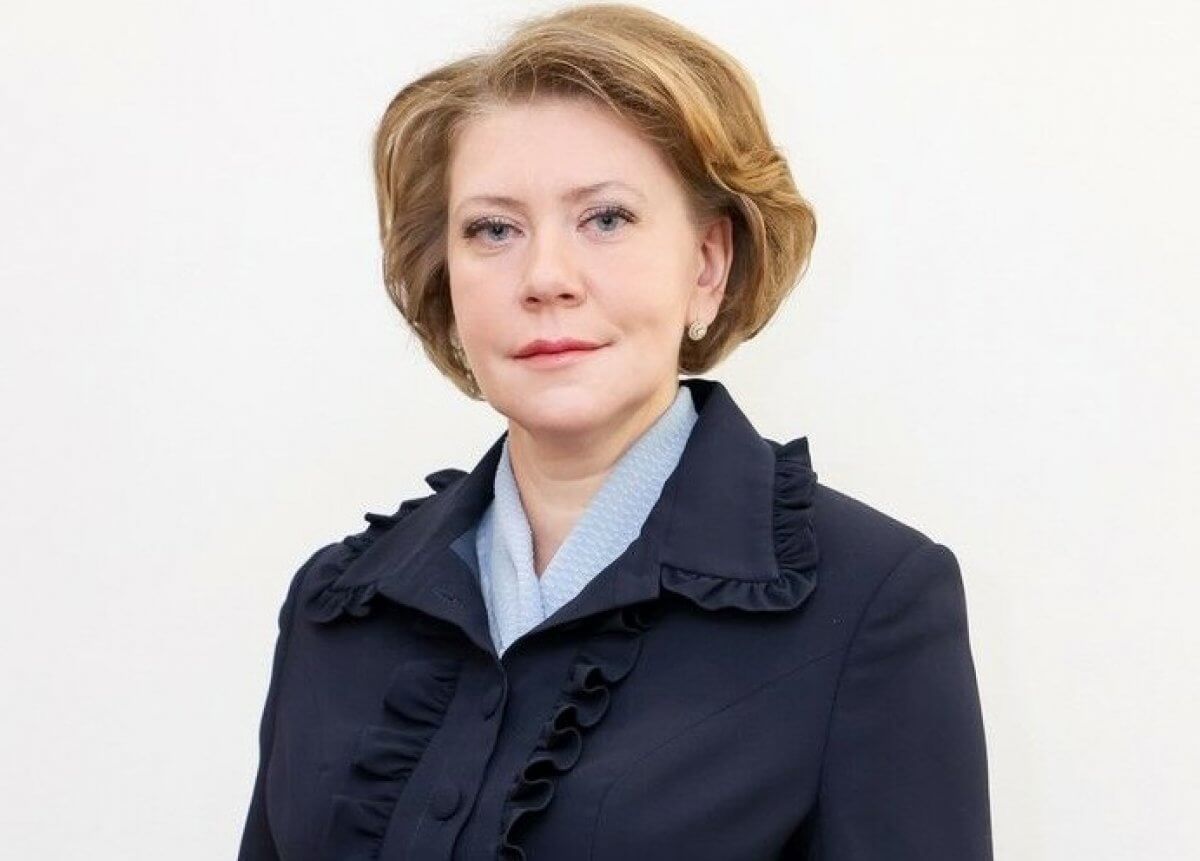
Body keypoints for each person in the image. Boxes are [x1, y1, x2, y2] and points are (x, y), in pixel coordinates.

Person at [236, 4, 992, 859]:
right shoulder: (335, 606)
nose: (545, 277)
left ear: (708, 264)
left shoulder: (872, 603)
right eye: (493, 229)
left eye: (605, 218)